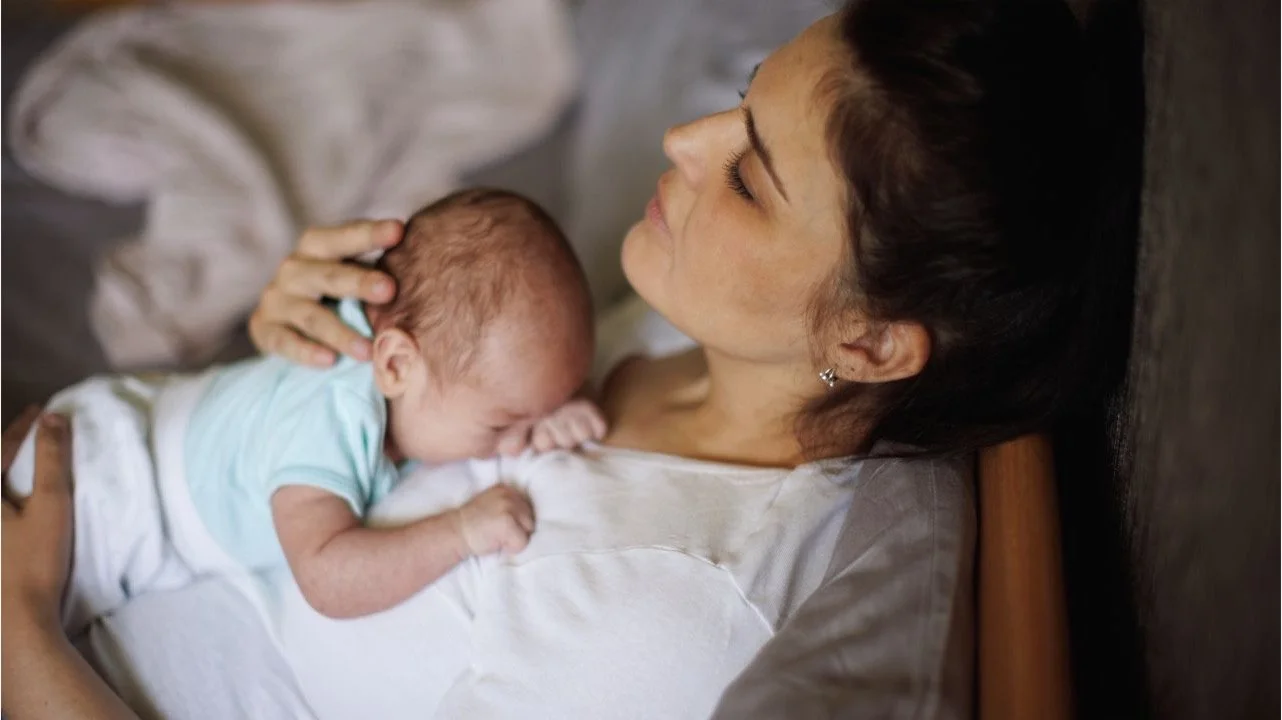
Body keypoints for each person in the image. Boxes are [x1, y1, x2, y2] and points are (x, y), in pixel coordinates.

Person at [2, 1, 1111, 717]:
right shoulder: (683, 337)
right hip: (122, 534)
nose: (683, 142)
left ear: (863, 342)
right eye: (739, 103)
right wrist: (312, 348)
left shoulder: (671, 618)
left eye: (748, 177)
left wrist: (24, 638)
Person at [6, 188, 609, 630]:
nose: (516, 441)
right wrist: (460, 531)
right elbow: (327, 577)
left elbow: (505, 385)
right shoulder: (332, 420)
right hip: (110, 497)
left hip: (127, 424)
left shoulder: (410, 357)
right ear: (397, 364)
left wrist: (547, 413)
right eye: (503, 425)